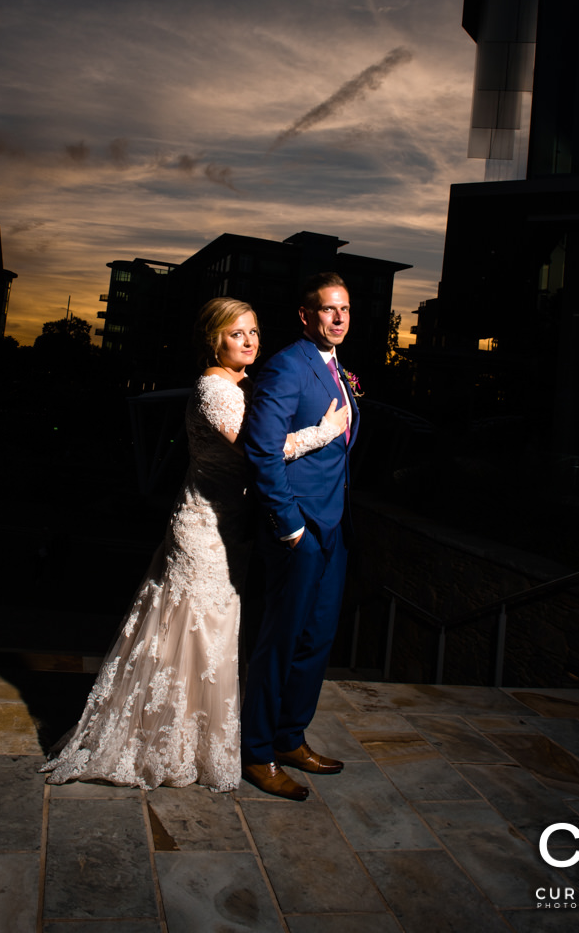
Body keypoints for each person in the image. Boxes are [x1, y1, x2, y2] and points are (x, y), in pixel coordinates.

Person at [40, 296, 347, 792]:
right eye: (235, 334)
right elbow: (258, 453)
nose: (248, 341)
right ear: (214, 340)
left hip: (235, 526)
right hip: (203, 529)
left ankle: (216, 737)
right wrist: (324, 431)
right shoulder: (213, 388)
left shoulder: (248, 383)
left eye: (253, 332)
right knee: (195, 629)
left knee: (220, 633)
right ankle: (170, 741)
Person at [240, 272, 359, 801]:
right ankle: (258, 752)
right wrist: (288, 525)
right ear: (306, 316)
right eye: (329, 310)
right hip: (300, 528)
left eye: (346, 310)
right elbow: (262, 450)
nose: (339, 318)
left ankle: (291, 738)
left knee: (316, 640)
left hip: (335, 525)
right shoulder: (288, 365)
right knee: (281, 641)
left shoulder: (335, 370)